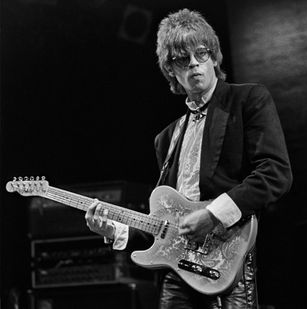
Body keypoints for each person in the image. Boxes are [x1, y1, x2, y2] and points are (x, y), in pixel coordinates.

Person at [85, 8, 292, 309]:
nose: (194, 63)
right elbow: (165, 225)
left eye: (202, 53)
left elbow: (275, 173)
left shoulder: (248, 101)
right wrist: (115, 230)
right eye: (183, 58)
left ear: (215, 57)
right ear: (171, 69)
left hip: (227, 263)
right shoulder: (166, 139)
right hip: (177, 275)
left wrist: (211, 215)